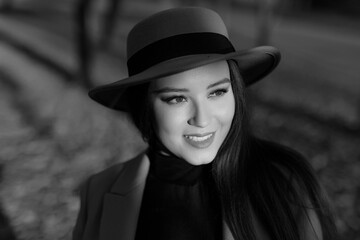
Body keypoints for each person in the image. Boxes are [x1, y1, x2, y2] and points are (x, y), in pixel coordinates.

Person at [72, 7, 337, 240]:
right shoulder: (99, 191)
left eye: (217, 92)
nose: (202, 119)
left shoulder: (285, 182)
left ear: (235, 90)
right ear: (145, 105)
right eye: (176, 98)